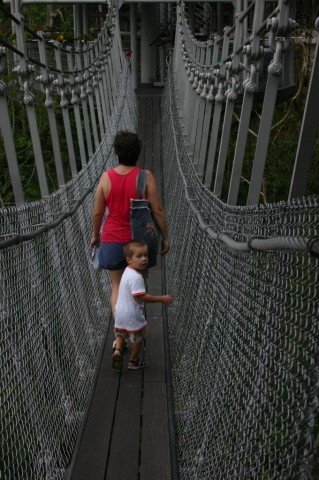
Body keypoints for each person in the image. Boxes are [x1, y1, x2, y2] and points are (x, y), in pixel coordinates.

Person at [90, 130, 170, 318]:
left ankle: (120, 335)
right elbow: (157, 210)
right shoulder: (145, 177)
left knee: (117, 286)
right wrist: (165, 237)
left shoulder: (105, 178)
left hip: (112, 240)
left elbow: (97, 212)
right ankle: (135, 329)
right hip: (138, 244)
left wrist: (95, 236)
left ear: (117, 153)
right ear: (138, 152)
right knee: (137, 288)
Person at [112, 240, 173, 370]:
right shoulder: (136, 278)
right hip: (132, 314)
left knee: (121, 333)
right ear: (129, 260)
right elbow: (141, 296)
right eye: (139, 256)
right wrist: (161, 298)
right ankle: (133, 361)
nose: (144, 259)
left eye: (145, 255)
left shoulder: (127, 271)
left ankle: (118, 350)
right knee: (138, 337)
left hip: (120, 312)